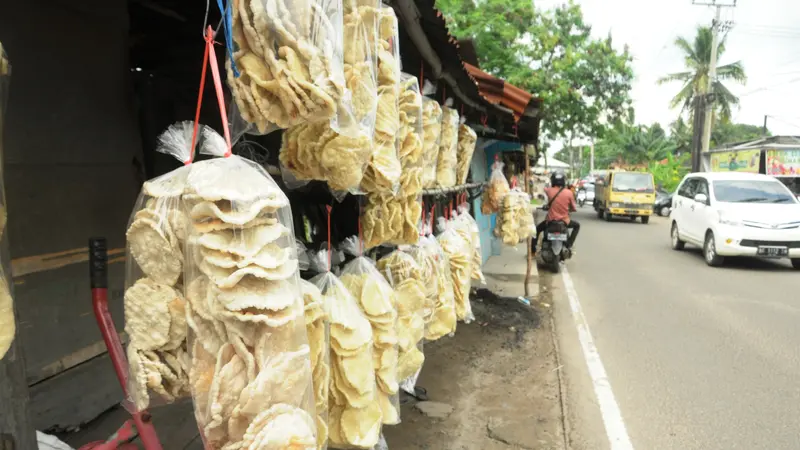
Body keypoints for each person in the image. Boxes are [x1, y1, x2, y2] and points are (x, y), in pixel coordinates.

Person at [533, 172, 580, 255]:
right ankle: (569, 244)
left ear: (553, 181)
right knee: (577, 226)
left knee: (536, 230)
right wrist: (569, 210)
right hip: (565, 221)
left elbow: (542, 191)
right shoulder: (569, 193)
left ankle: (533, 252)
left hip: (550, 222)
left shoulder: (549, 191)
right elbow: (573, 208)